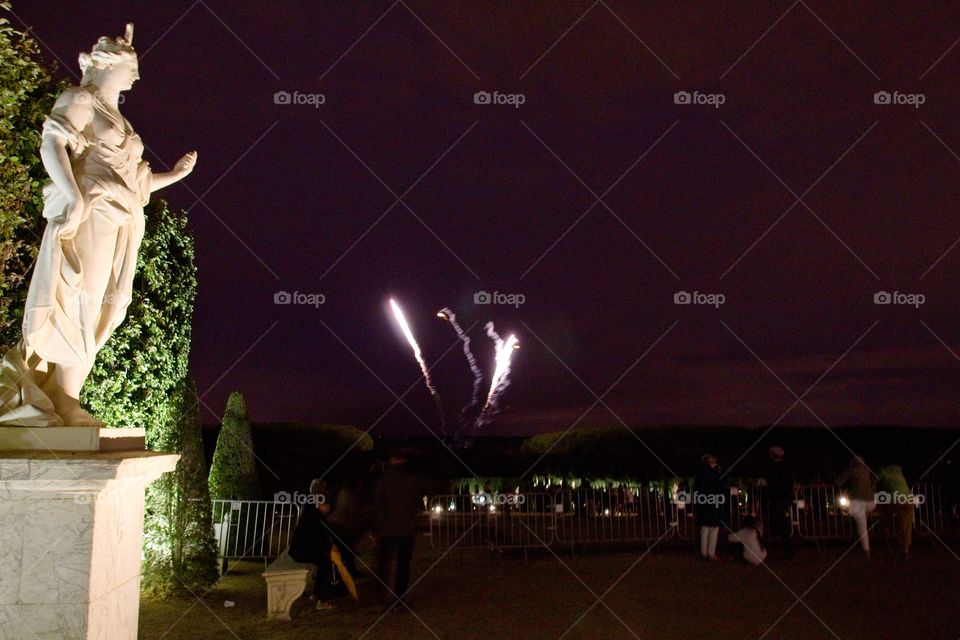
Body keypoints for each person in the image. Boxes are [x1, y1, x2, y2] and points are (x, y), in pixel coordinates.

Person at [0, 24, 196, 427]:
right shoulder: (80, 99)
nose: (136, 77)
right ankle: (66, 400)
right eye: (132, 69)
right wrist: (73, 197)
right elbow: (52, 143)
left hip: (121, 219)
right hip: (92, 211)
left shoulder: (119, 119)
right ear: (108, 65)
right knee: (81, 300)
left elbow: (135, 183)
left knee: (104, 309)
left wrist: (175, 176)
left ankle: (63, 396)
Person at [372, 450, 423, 612]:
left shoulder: (384, 480)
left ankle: (380, 600)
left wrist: (376, 528)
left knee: (383, 565)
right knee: (403, 566)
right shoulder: (412, 480)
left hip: (387, 529)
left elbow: (377, 506)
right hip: (406, 529)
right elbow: (417, 504)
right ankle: (399, 600)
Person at [288, 479, 346, 610]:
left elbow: (319, 533)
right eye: (326, 506)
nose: (328, 509)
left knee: (325, 560)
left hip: (300, 549)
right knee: (326, 562)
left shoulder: (312, 508)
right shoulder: (312, 511)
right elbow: (314, 535)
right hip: (300, 551)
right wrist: (329, 546)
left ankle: (317, 594)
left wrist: (329, 543)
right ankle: (320, 598)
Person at [837, 455, 876, 557]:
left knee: (862, 528)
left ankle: (866, 550)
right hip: (871, 501)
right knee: (862, 519)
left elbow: (839, 482)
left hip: (858, 501)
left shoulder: (851, 470)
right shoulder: (867, 470)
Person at [876, 463, 915, 558]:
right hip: (908, 498)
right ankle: (905, 549)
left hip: (895, 498)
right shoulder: (899, 472)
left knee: (885, 507)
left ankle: (886, 527)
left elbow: (878, 487)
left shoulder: (882, 472)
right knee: (906, 524)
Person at [765, 446, 796, 559]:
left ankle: (790, 552)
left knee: (783, 526)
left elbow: (771, 484)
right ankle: (789, 551)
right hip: (785, 499)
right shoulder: (787, 468)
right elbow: (792, 483)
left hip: (777, 499)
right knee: (784, 525)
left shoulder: (773, 469)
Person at [694, 453, 726, 560]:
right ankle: (708, 553)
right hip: (710, 502)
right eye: (712, 461)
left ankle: (707, 553)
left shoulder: (705, 473)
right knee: (710, 528)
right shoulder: (712, 473)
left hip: (709, 503)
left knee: (709, 528)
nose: (714, 463)